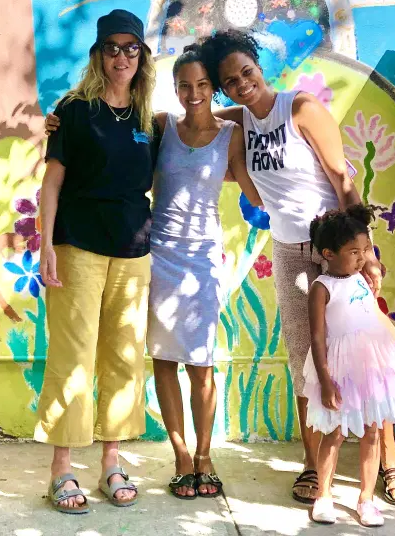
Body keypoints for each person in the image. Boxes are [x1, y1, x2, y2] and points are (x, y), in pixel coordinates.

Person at [196, 29, 395, 505]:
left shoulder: (300, 108)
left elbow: (341, 178)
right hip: (291, 253)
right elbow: (186, 120)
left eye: (246, 72)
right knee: (305, 363)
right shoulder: (236, 124)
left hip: (336, 249)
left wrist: (366, 251)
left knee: (367, 352)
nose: (241, 84)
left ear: (258, 65)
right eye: (229, 82)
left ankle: (391, 462)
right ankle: (315, 466)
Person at [37, 9, 156, 514]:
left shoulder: (150, 118)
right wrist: (44, 244)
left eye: (132, 48)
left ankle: (111, 462)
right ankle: (62, 470)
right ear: (98, 53)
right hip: (77, 247)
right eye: (113, 47)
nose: (122, 57)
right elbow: (52, 182)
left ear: (142, 56)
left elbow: (208, 126)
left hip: (134, 253)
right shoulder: (74, 110)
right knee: (73, 357)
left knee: (125, 359)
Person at [148, 45, 264, 500]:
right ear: (174, 89)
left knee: (201, 365)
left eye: (202, 85)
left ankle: (204, 455)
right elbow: (110, 129)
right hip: (159, 255)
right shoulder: (160, 127)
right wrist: (61, 123)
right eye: (184, 86)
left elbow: (252, 185)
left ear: (212, 89)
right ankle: (179, 456)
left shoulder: (230, 133)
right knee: (163, 359)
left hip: (202, 261)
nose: (193, 94)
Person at [304, 205, 395, 526]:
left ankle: (366, 499)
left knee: (373, 431)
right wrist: (326, 380)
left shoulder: (360, 280)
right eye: (354, 251)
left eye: (365, 250)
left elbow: (378, 316)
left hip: (373, 367)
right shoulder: (321, 288)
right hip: (339, 370)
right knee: (335, 433)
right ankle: (323, 496)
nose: (362, 258)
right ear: (328, 254)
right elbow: (317, 339)